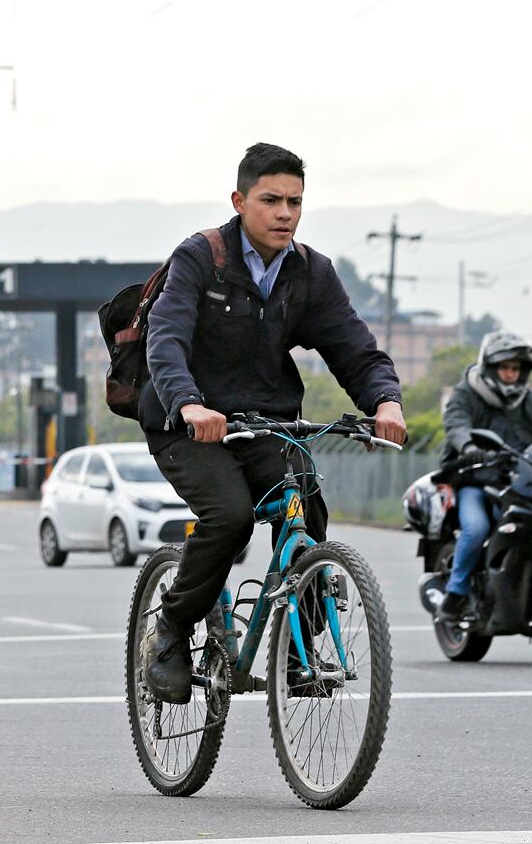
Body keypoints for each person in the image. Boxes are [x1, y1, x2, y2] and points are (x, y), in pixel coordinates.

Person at [139, 143, 407, 704]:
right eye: (271, 200)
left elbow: (353, 346)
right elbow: (166, 339)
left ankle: (296, 653)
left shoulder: (310, 272)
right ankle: (170, 632)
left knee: (304, 508)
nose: (285, 212)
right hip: (184, 420)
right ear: (240, 201)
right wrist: (189, 403)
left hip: (267, 421)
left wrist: (385, 401)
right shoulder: (200, 258)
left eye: (295, 201)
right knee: (231, 516)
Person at [436, 331, 532, 622]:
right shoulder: (466, 393)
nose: (510, 374)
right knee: (477, 528)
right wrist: (468, 447)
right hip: (475, 480)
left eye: (516, 368)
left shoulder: (528, 399)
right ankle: (454, 595)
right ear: (490, 368)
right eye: (505, 367)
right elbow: (456, 425)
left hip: (519, 480)